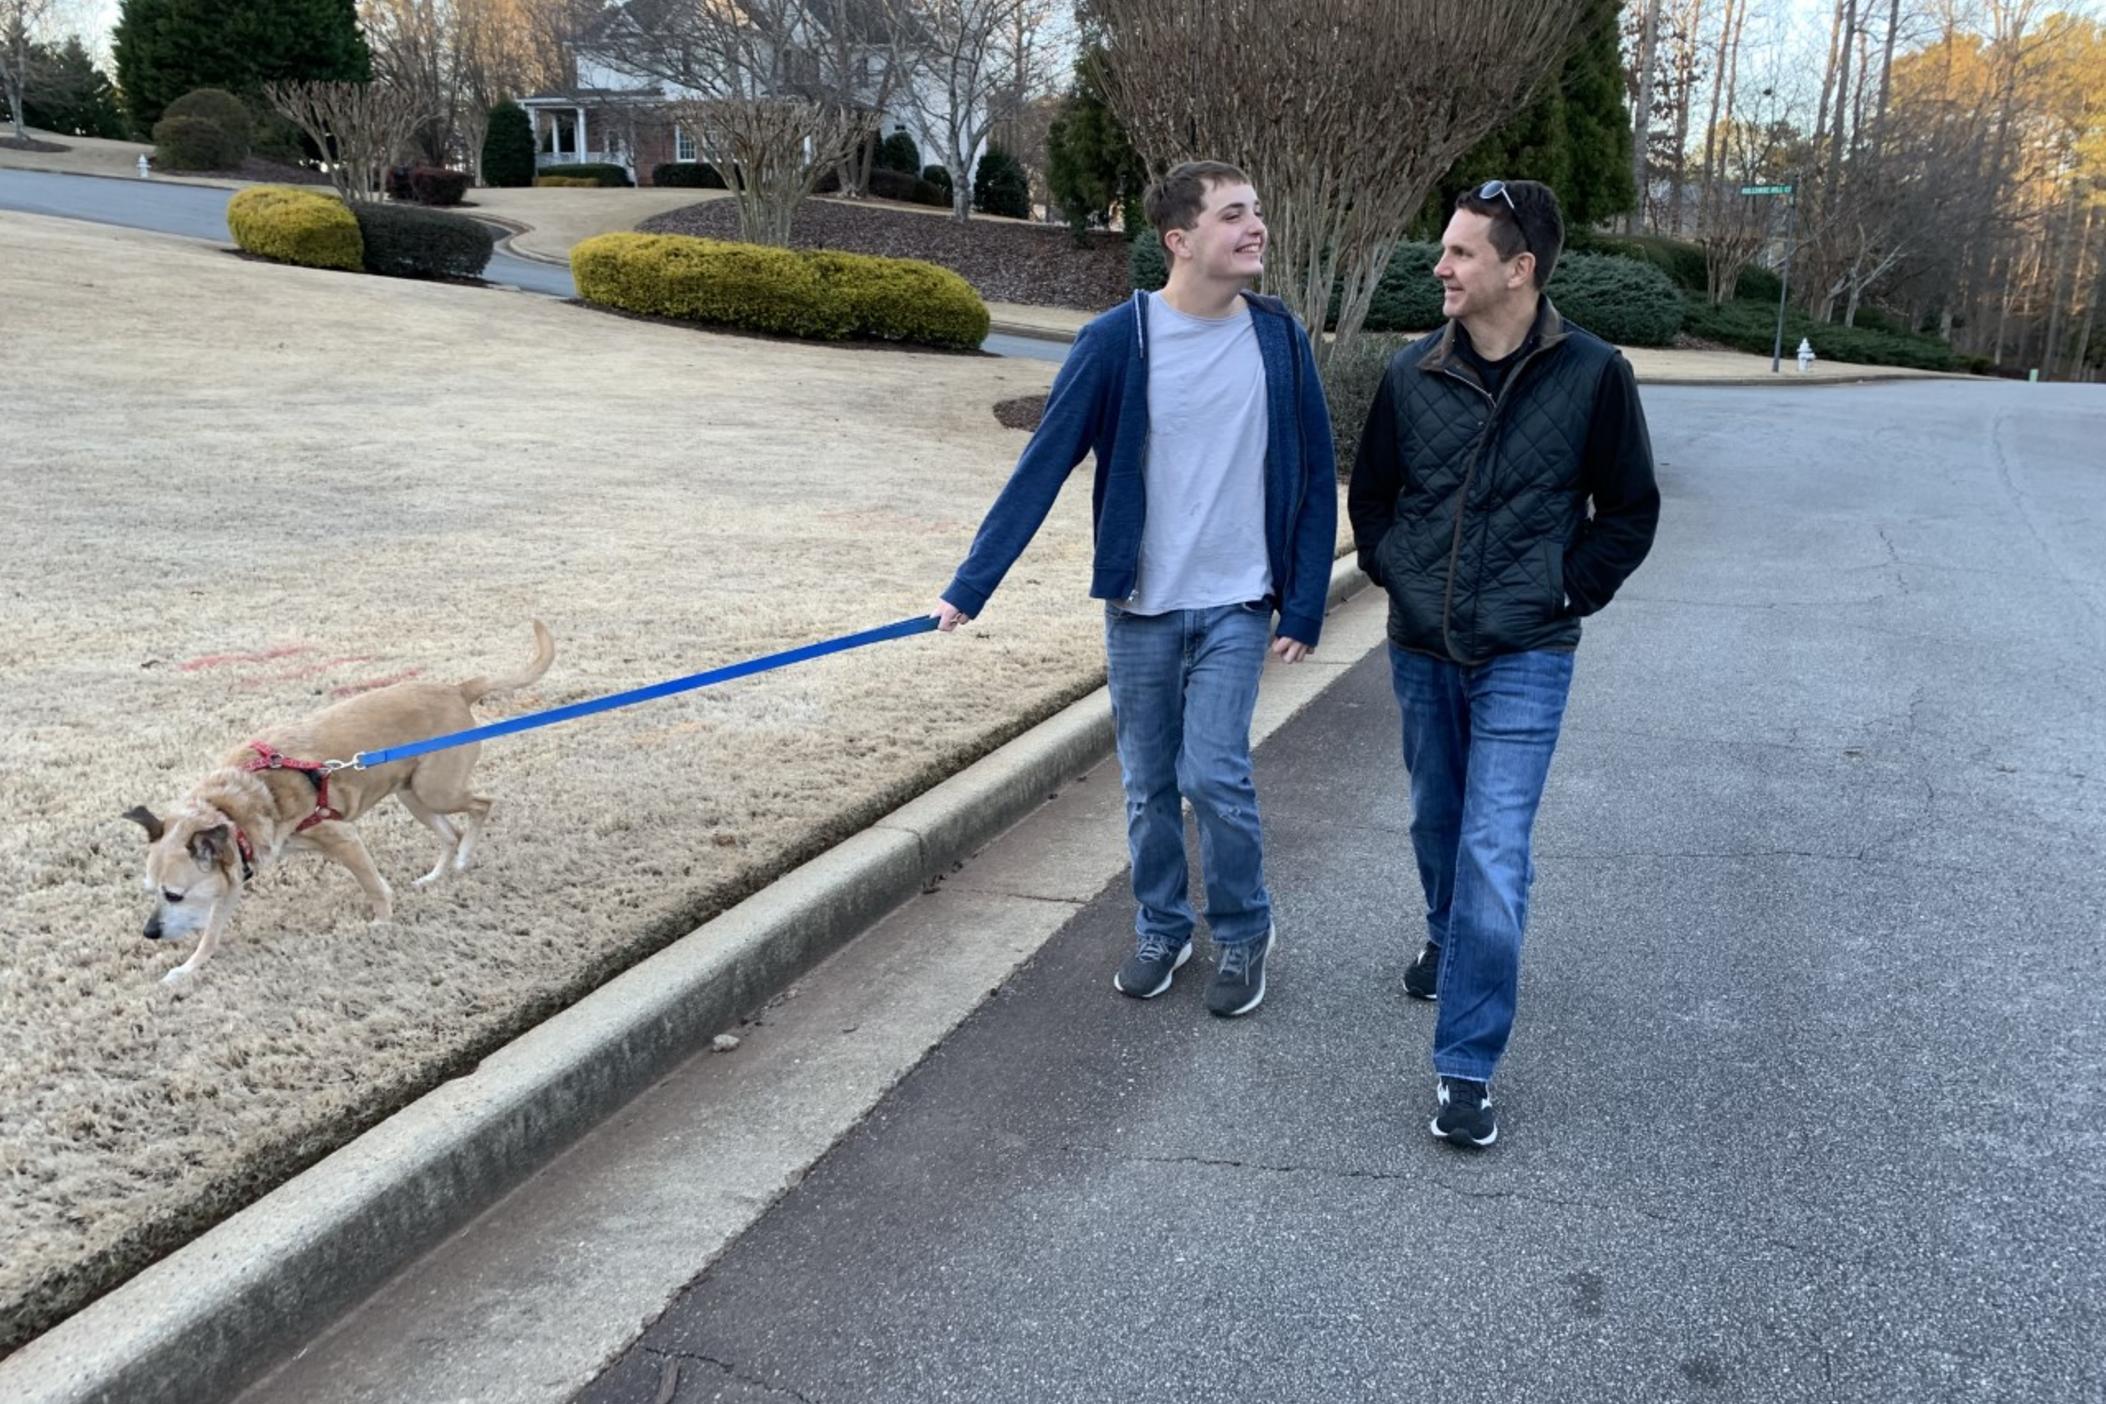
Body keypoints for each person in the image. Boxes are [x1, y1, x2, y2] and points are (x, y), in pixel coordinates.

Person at [933, 160, 1337, 1019]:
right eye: (1235, 213)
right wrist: (973, 584)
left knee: (1215, 774)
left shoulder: (1278, 336)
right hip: (1143, 607)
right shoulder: (1119, 340)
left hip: (1237, 599)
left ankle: (1240, 932)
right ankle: (1162, 924)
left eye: (1256, 208)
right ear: (1180, 239)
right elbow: (1046, 462)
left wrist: (1302, 601)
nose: (1255, 225)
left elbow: (1312, 472)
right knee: (1148, 783)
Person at [1349, 178, 1660, 1147]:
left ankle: (1466, 1066)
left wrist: (1563, 593)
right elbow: (1376, 501)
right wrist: (1401, 577)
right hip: (1423, 647)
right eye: (1443, 250)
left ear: (1518, 269)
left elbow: (1631, 512)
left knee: (1494, 848)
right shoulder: (1411, 374)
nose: (1438, 267)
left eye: (1460, 253)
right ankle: (1449, 937)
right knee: (1438, 819)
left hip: (1528, 649)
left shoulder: (1596, 374)